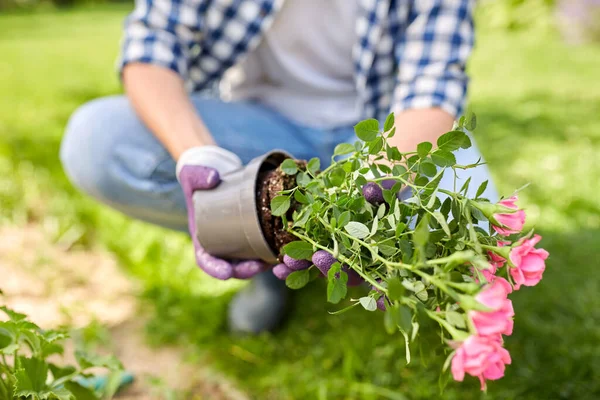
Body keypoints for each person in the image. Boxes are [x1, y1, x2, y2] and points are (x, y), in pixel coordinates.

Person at [60, 0, 496, 334]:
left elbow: (433, 85)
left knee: (477, 240)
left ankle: (302, 244)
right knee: (97, 141)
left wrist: (371, 185)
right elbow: (152, 41)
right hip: (260, 128)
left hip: (384, 132)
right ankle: (270, 247)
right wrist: (198, 155)